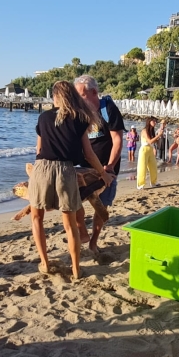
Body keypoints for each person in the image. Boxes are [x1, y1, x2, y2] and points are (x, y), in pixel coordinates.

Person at [29, 80, 112, 279]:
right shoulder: (80, 118)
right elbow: (89, 154)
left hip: (41, 169)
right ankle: (76, 270)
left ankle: (45, 263)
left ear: (55, 97)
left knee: (37, 218)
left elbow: (38, 149)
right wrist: (103, 174)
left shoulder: (43, 117)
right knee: (70, 224)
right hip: (66, 171)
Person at [74, 75, 124, 255]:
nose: (79, 99)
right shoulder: (79, 112)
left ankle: (93, 243)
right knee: (73, 202)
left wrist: (109, 166)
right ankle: (82, 232)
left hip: (106, 169)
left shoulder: (108, 109)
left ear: (94, 92)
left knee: (101, 209)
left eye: (82, 95)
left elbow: (117, 140)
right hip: (82, 168)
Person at [137, 117, 163, 189]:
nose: (155, 123)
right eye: (154, 121)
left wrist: (159, 137)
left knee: (153, 166)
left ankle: (153, 182)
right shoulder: (144, 130)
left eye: (155, 121)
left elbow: (155, 143)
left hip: (150, 149)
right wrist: (158, 135)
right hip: (144, 149)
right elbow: (150, 141)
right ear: (149, 122)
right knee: (142, 167)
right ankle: (140, 184)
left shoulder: (152, 131)